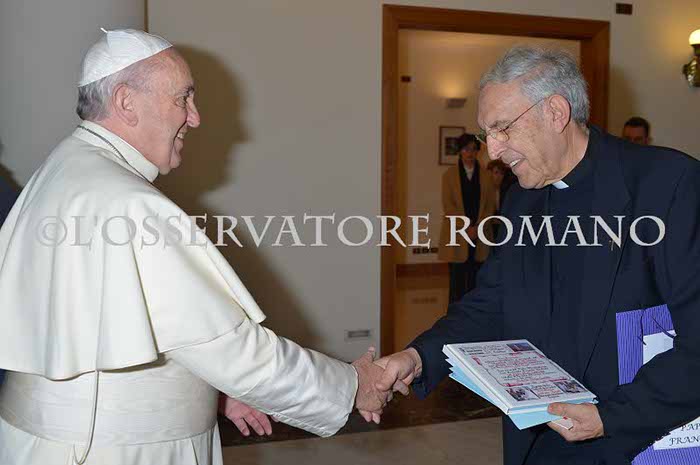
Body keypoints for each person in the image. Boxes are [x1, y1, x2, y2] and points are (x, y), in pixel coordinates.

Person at [0, 29, 391, 465]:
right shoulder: (130, 203)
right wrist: (353, 385)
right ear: (126, 102)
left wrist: (213, 393)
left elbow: (119, 327)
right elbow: (234, 351)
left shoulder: (62, 169)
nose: (195, 117)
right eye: (182, 98)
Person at [373, 46, 700, 465]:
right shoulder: (520, 201)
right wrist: (419, 356)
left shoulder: (668, 185)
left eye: (502, 129)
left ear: (556, 112)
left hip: (633, 435)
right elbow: (492, 301)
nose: (493, 150)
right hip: (539, 438)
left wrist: (610, 418)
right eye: (487, 134)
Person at [438, 133, 497, 303]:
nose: (470, 153)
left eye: (473, 149)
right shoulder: (448, 176)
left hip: (480, 233)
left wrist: (477, 228)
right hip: (457, 233)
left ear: (478, 151)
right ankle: (454, 313)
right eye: (466, 149)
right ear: (459, 151)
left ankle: (473, 312)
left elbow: (490, 206)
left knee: (476, 277)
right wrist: (466, 228)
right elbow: (448, 206)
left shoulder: (486, 176)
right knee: (456, 279)